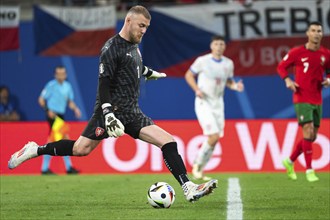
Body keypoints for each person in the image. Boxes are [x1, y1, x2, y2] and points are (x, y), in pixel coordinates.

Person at [8, 5, 217, 202]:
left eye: (146, 27)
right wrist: (107, 114)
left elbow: (134, 67)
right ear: (128, 20)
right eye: (141, 25)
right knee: (81, 149)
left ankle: (188, 187)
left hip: (132, 113)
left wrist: (148, 73)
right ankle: (35, 150)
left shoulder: (135, 47)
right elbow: (104, 83)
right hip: (111, 112)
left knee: (168, 141)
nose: (144, 30)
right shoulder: (111, 48)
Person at [185, 35, 244, 180]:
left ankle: (200, 168)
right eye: (216, 44)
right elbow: (188, 75)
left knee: (216, 138)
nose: (219, 47)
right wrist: (196, 89)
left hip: (218, 103)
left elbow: (228, 81)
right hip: (204, 101)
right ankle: (197, 165)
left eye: (222, 44)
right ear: (212, 46)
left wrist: (235, 86)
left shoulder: (228, 63)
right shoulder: (202, 61)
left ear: (224, 47)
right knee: (214, 136)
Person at [277, 21, 330, 182]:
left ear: (322, 34)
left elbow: (329, 71)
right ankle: (309, 170)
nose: (316, 33)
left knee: (312, 136)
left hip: (317, 98)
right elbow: (281, 67)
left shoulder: (326, 54)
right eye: (313, 30)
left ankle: (289, 160)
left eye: (319, 31)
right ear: (308, 33)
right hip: (301, 97)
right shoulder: (297, 52)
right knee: (307, 131)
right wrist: (287, 80)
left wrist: (328, 80)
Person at [38, 66, 81, 175]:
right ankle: (68, 168)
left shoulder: (68, 86)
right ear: (55, 75)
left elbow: (69, 101)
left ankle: (45, 168)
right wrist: (47, 110)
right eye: (58, 73)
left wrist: (75, 109)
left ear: (65, 75)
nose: (60, 76)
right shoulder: (51, 85)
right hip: (52, 115)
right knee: (64, 139)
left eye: (62, 73)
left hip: (61, 116)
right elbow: (41, 99)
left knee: (54, 140)